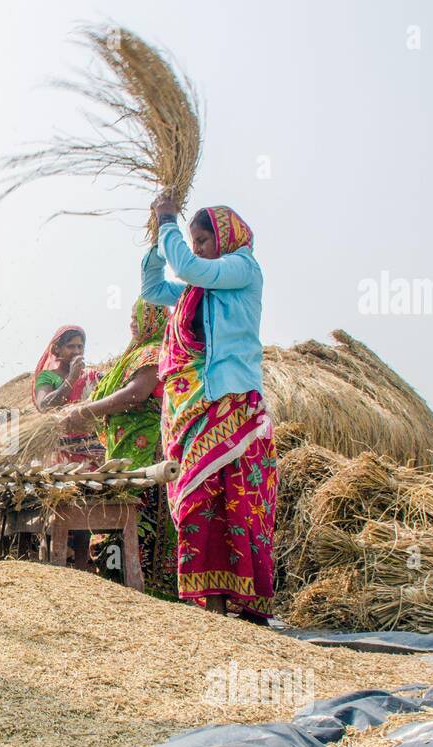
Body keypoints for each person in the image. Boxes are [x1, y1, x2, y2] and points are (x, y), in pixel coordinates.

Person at [142, 200, 277, 623]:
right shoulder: (197, 287)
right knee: (200, 498)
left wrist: (169, 223)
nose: (197, 248)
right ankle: (214, 605)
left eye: (203, 240)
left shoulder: (242, 268)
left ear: (225, 238)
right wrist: (156, 240)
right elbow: (152, 288)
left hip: (233, 402)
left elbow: (188, 269)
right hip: (194, 406)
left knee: (238, 500)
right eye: (193, 241)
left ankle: (250, 606)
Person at [60, 300, 179, 600]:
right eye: (130, 317)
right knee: (119, 517)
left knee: (144, 516)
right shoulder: (133, 355)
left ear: (152, 318)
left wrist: (87, 411)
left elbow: (135, 394)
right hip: (124, 452)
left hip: (148, 451)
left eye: (137, 316)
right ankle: (120, 585)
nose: (132, 323)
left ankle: (150, 590)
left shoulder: (154, 352)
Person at [33, 326, 103, 569]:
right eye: (70, 346)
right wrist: (71, 379)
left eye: (80, 346)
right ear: (57, 350)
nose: (76, 351)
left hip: (88, 451)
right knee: (62, 505)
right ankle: (57, 563)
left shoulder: (92, 377)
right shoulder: (48, 377)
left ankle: (82, 566)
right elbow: (45, 406)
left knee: (85, 503)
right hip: (60, 454)